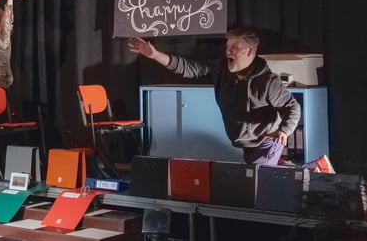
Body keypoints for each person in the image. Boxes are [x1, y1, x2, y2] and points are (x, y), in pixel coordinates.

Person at [129, 28, 331, 171]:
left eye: (234, 47)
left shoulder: (267, 81)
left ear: (249, 51)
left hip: (265, 141)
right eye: (227, 46)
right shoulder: (221, 70)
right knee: (270, 176)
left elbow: (292, 107)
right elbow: (189, 68)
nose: (228, 51)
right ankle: (315, 167)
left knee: (261, 182)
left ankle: (314, 168)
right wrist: (154, 55)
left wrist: (284, 131)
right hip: (246, 144)